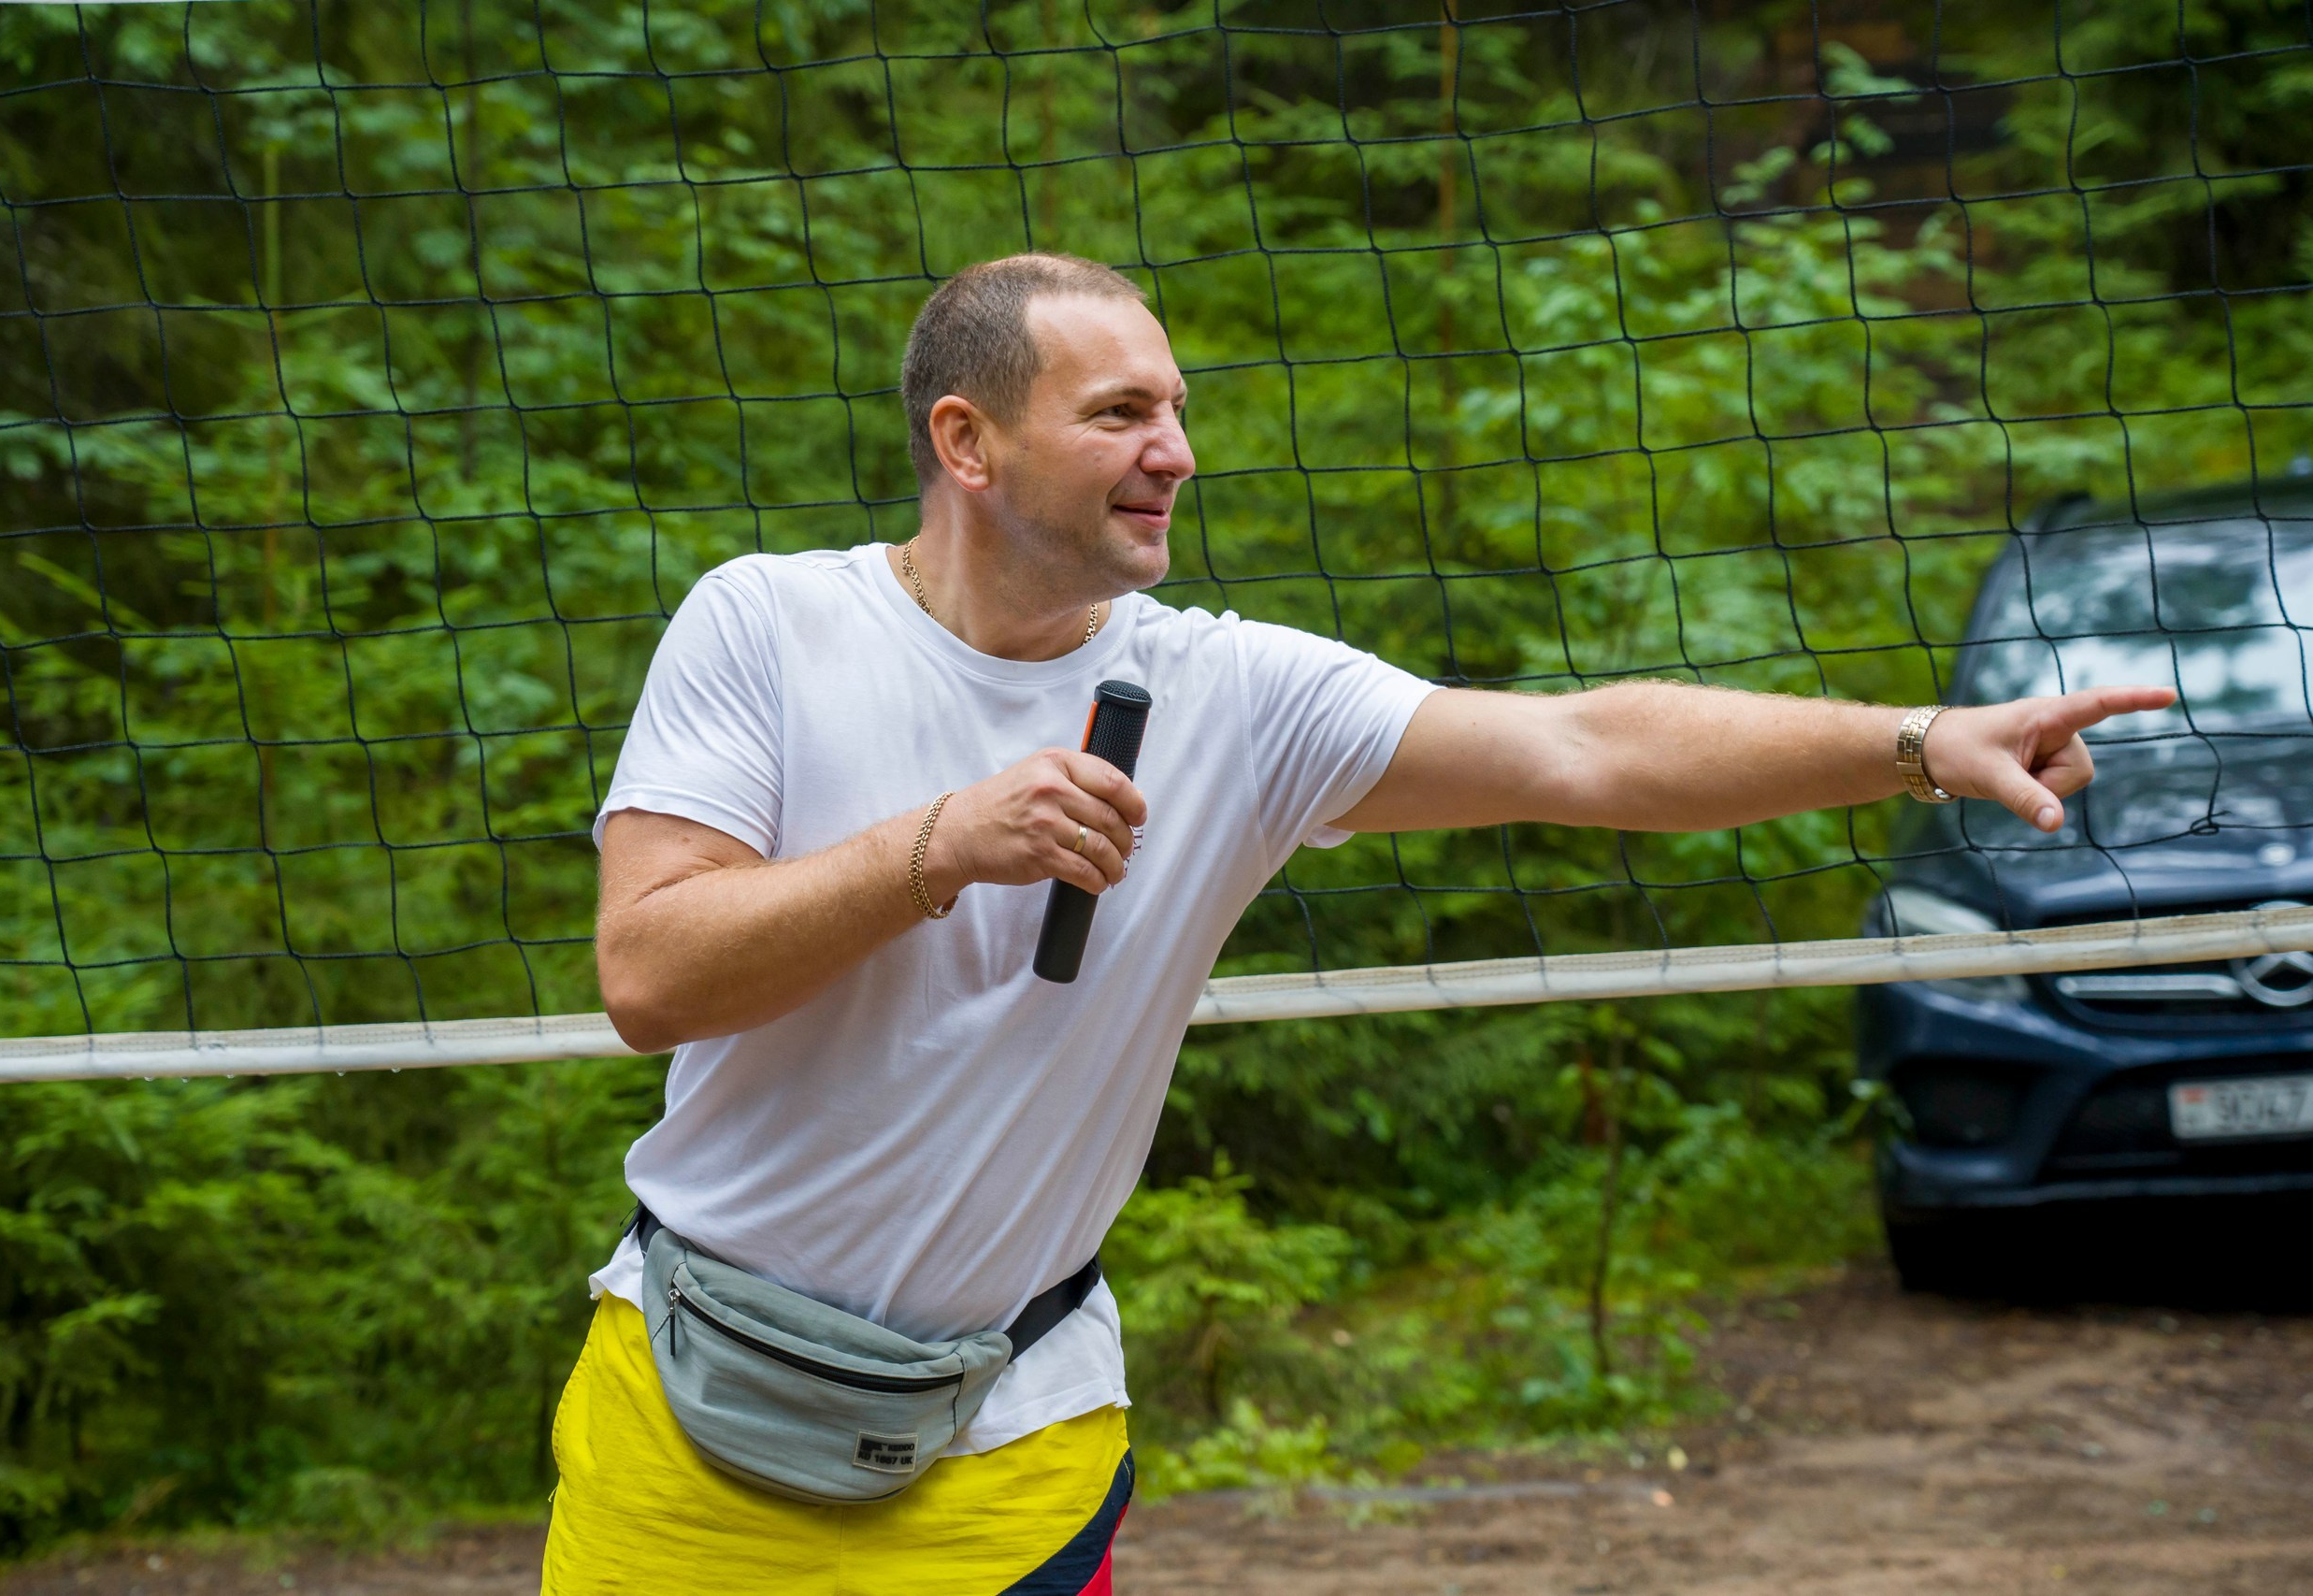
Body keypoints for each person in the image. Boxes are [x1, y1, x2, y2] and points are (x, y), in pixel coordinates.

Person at [538, 253, 2170, 1594]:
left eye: (1177, 409)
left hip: (1012, 1435)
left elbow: (1583, 744)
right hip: (692, 1418)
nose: (1175, 449)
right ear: (968, 444)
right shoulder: (765, 624)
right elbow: (649, 974)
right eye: (1121, 413)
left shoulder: (1230, 691)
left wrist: (1907, 744)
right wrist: (942, 846)